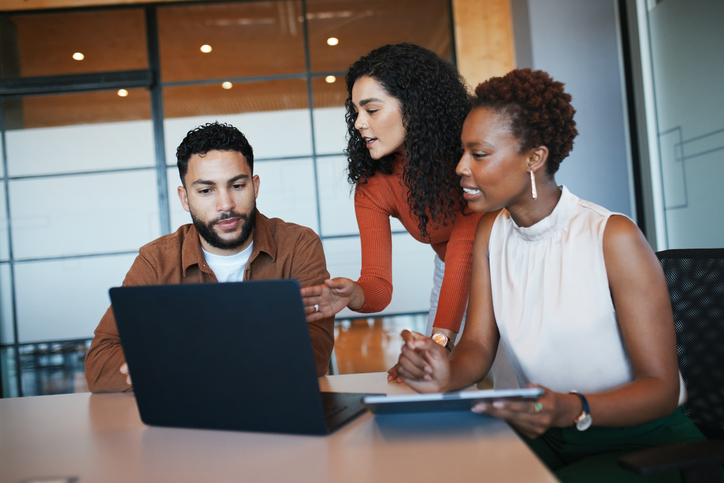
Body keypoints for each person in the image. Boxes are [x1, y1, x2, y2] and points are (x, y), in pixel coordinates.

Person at [395, 69, 706, 482]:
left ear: (534, 158)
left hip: (643, 441)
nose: (460, 167)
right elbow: (478, 345)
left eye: (479, 154)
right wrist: (444, 371)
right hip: (549, 432)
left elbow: (661, 388)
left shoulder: (612, 236)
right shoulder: (491, 232)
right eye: (462, 152)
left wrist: (570, 407)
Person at [85, 122, 334, 393]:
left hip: (281, 407)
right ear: (185, 198)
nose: (225, 204)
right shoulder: (156, 260)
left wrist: (181, 361)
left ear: (255, 186)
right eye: (206, 190)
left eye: (237, 185)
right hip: (190, 420)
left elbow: (315, 353)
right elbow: (99, 365)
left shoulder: (298, 244)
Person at [301, 43, 484, 370]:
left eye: (371, 110)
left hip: (504, 262)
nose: (358, 123)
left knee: (516, 385)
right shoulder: (373, 185)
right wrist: (354, 294)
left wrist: (438, 341)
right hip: (451, 272)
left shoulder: (467, 157)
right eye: (356, 111)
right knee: (433, 382)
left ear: (414, 107)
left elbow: (465, 247)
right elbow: (378, 285)